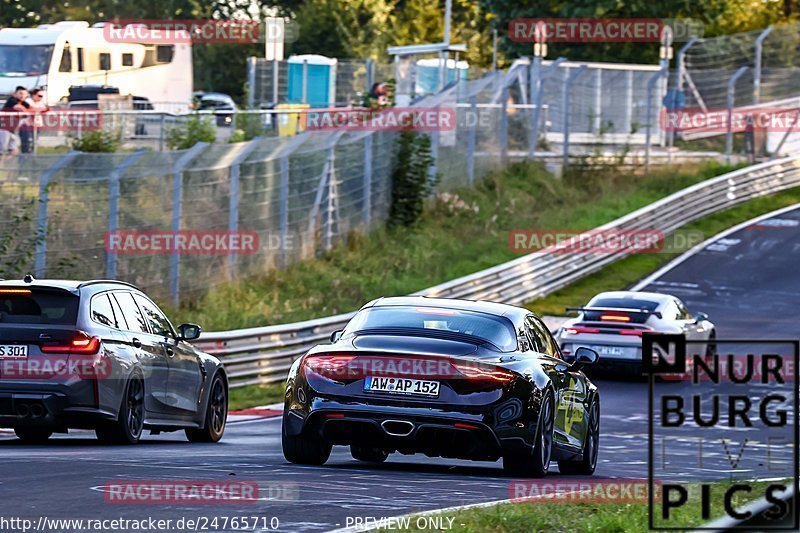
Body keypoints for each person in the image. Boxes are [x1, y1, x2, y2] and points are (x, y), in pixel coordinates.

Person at [2, 86, 31, 153]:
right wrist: (28, 113)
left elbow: (32, 108)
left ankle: (5, 163)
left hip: (12, 130)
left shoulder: (23, 103)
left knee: (14, 151)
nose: (22, 95)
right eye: (20, 93)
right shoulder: (12, 100)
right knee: (2, 151)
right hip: (3, 129)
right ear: (15, 94)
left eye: (24, 94)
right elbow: (19, 108)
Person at [26, 88, 49, 153]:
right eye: (39, 96)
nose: (40, 98)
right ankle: (25, 158)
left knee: (35, 142)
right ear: (33, 95)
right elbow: (30, 109)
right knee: (28, 143)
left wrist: (38, 109)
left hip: (36, 124)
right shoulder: (28, 101)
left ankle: (33, 156)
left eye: (41, 96)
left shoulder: (40, 102)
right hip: (28, 125)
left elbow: (45, 109)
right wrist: (38, 109)